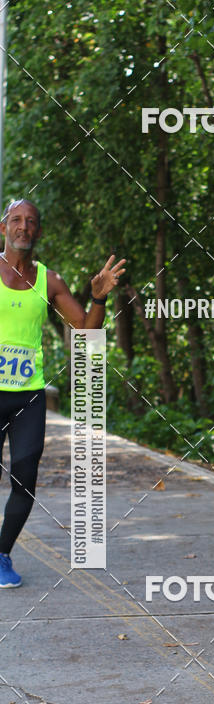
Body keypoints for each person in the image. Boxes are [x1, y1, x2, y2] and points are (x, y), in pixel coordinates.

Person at [0, 199, 125, 587]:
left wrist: (100, 297)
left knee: (25, 475)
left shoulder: (49, 280)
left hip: (29, 395)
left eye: (31, 222)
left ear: (38, 232)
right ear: (3, 228)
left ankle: (2, 555)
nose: (24, 227)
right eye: (16, 220)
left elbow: (87, 330)